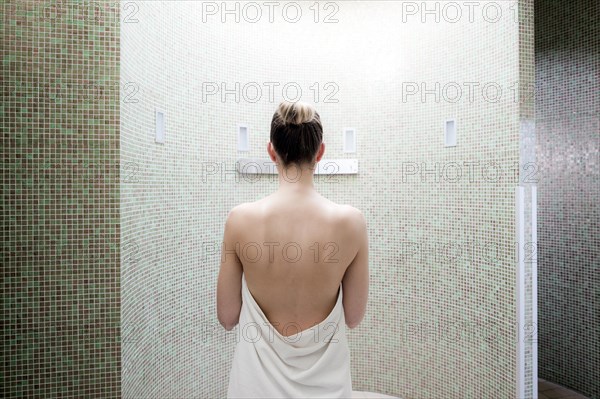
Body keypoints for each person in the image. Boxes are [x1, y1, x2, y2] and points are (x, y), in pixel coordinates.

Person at [216, 100, 369, 398]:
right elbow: (353, 316)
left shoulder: (240, 221)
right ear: (320, 152)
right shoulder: (351, 223)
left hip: (254, 389)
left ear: (271, 151)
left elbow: (227, 316)